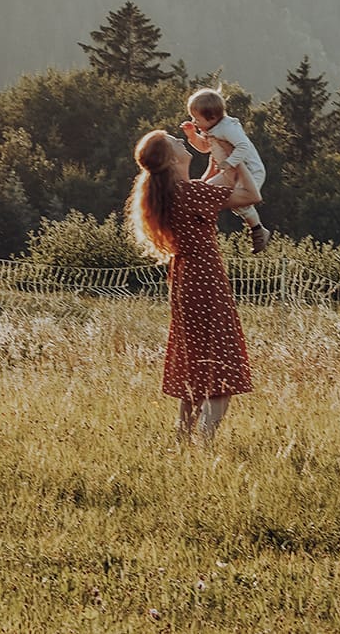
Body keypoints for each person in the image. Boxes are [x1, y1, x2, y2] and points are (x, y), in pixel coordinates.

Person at [126, 128, 262, 442]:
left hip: (185, 280)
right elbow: (250, 195)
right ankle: (204, 442)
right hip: (206, 279)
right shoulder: (189, 194)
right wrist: (236, 154)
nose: (180, 140)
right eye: (174, 141)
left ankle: (183, 439)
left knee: (196, 363)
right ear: (172, 159)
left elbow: (209, 183)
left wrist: (216, 156)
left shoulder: (175, 192)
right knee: (221, 365)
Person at [181, 87, 271, 254]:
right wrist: (192, 135)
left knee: (240, 202)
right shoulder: (210, 129)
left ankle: (258, 230)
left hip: (250, 171)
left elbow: (243, 146)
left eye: (197, 119)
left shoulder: (228, 128)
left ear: (212, 117)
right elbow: (204, 148)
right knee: (206, 191)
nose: (194, 122)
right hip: (229, 172)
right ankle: (205, 226)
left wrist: (229, 162)